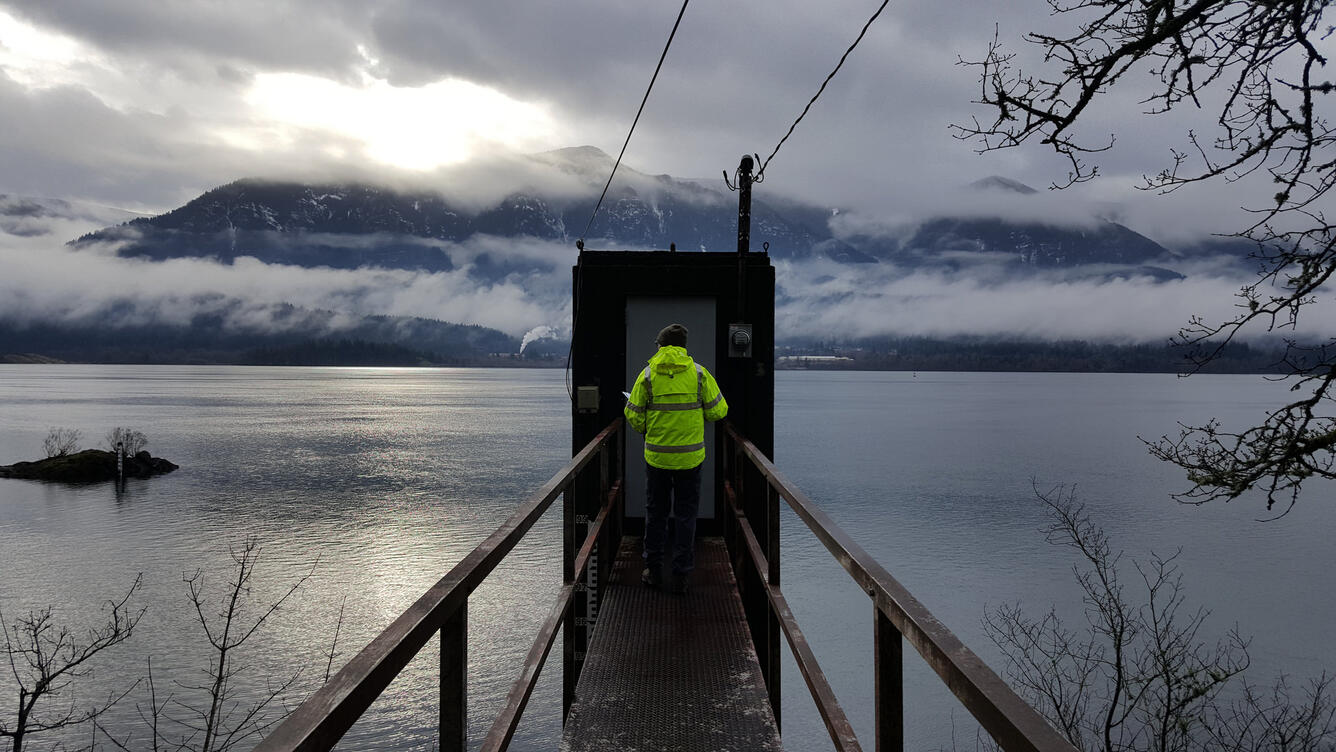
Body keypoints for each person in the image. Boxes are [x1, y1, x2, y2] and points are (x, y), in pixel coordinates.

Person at [623, 323, 728, 594]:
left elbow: (633, 415)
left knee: (655, 514)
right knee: (686, 516)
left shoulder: (646, 375)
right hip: (690, 459)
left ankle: (654, 571)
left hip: (657, 458)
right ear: (683, 347)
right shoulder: (700, 374)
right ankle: (681, 575)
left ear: (661, 345)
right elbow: (719, 411)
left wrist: (649, 427)